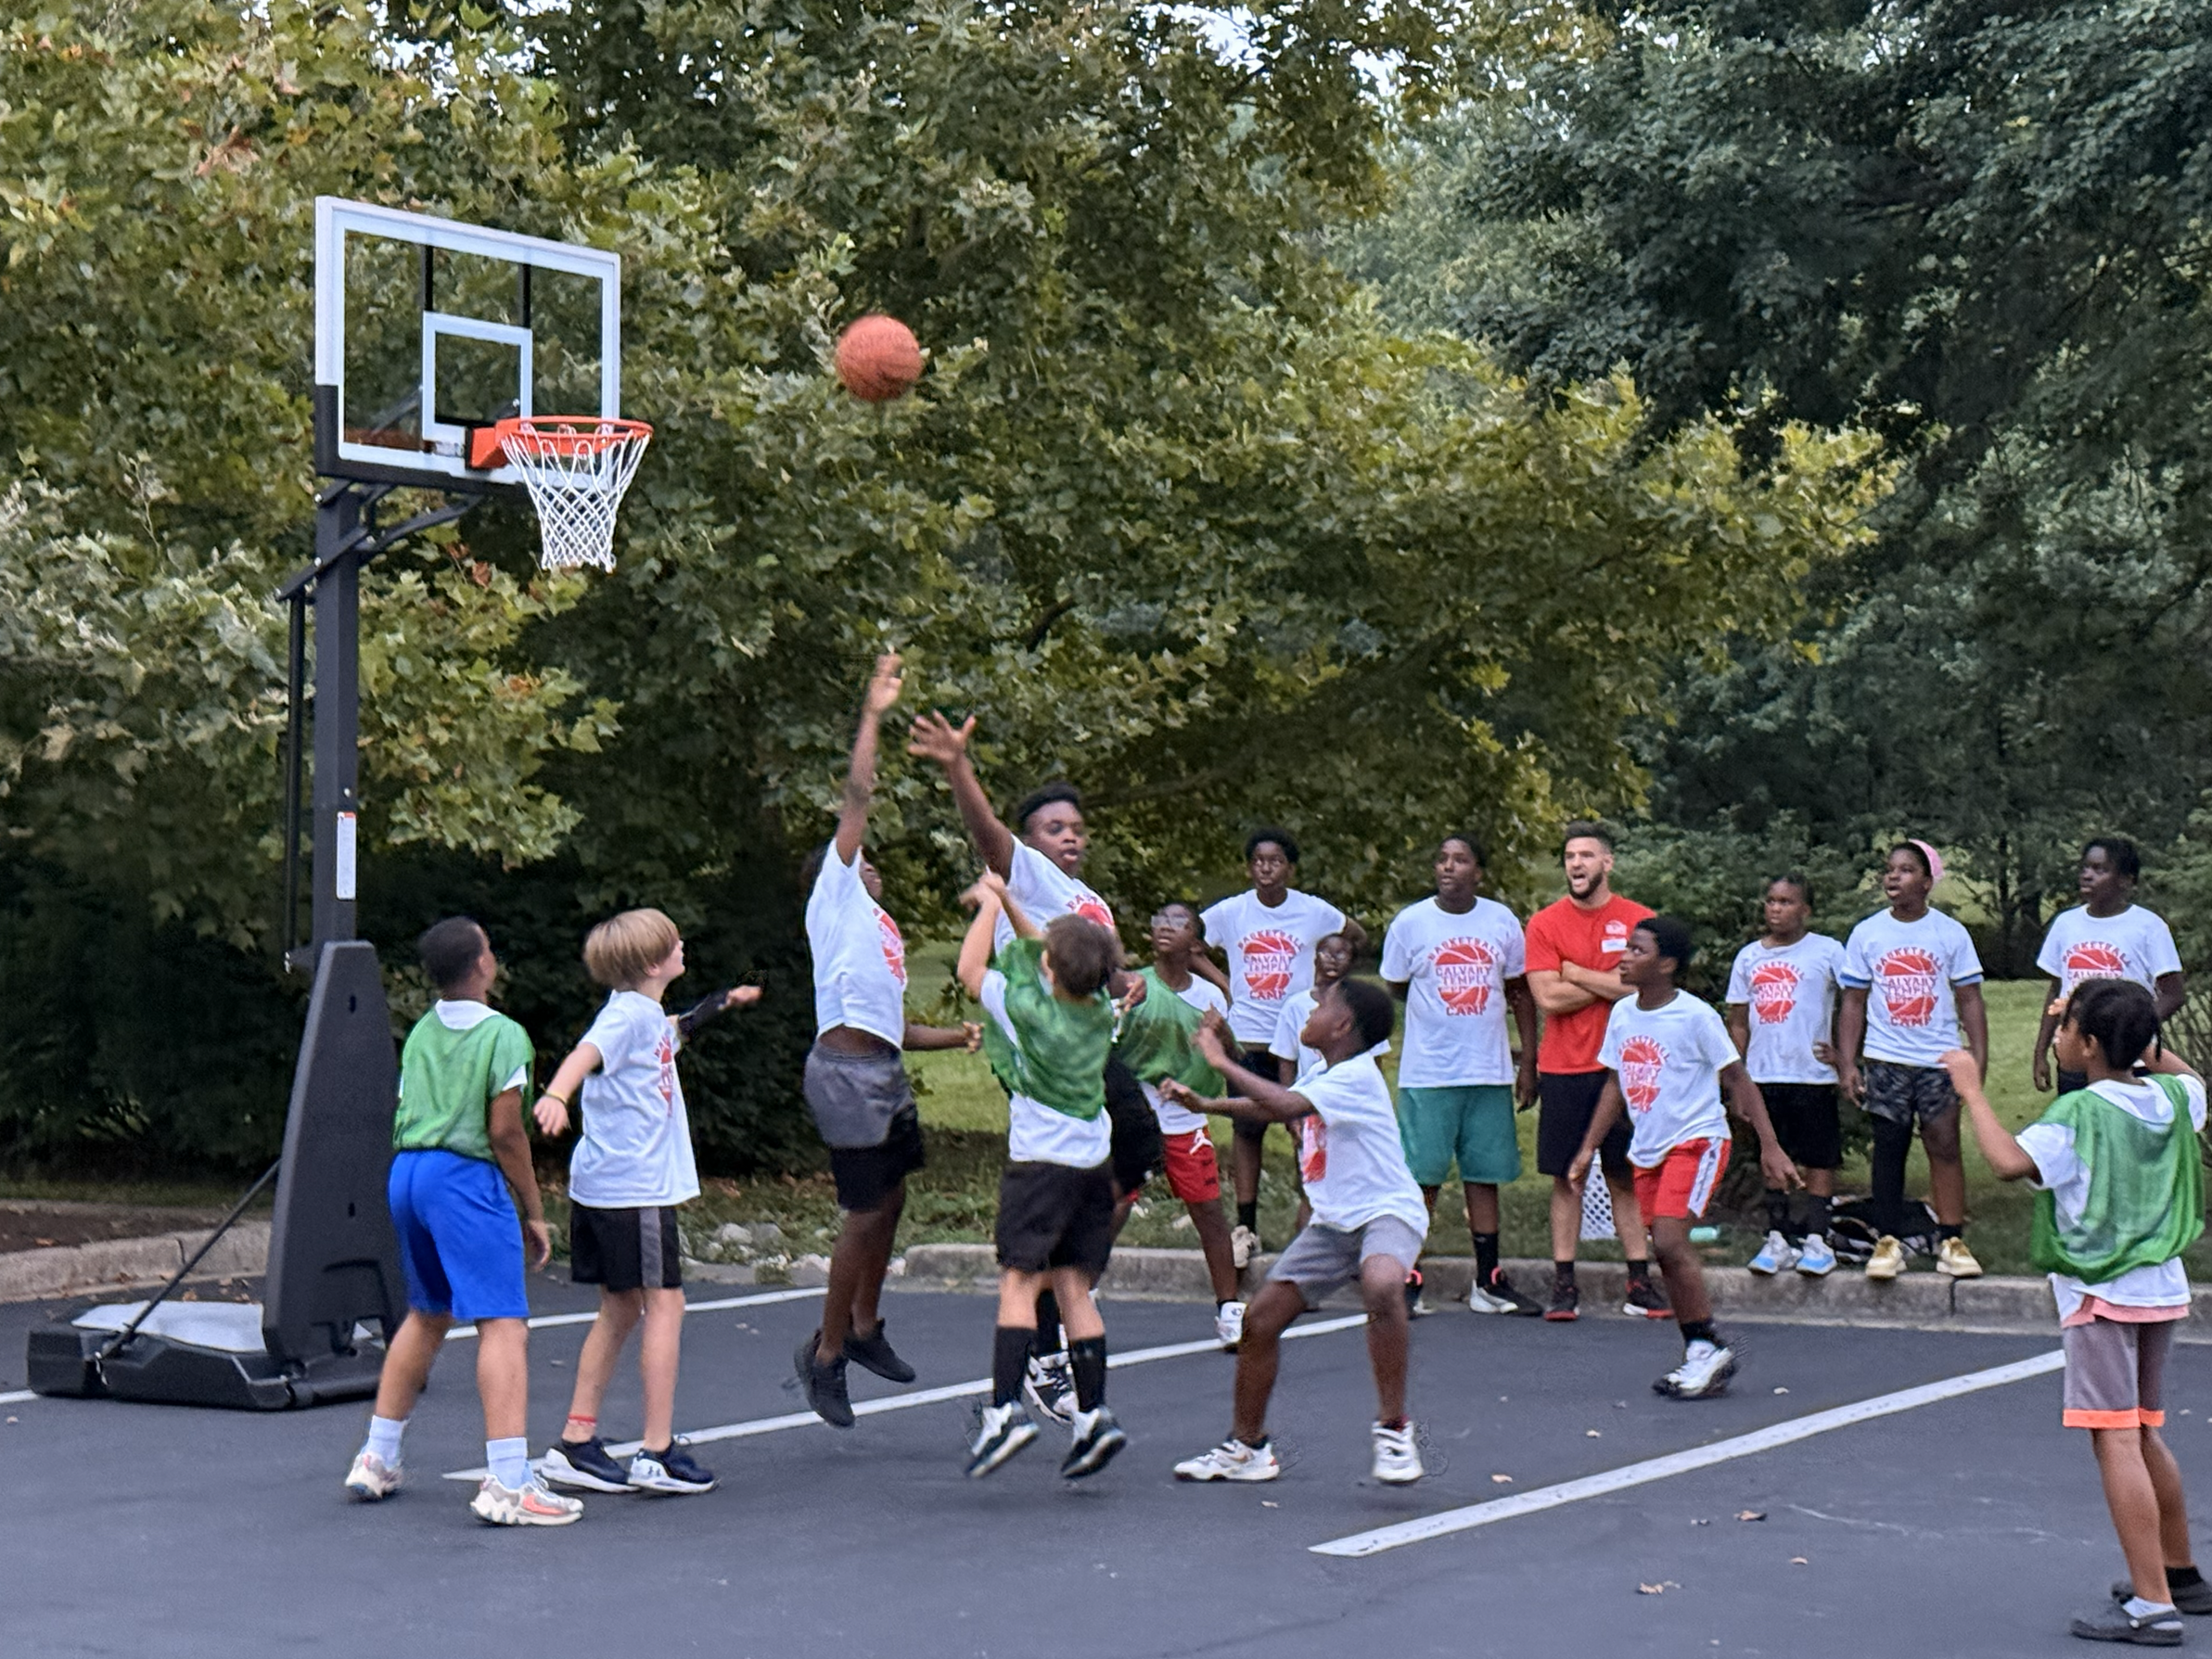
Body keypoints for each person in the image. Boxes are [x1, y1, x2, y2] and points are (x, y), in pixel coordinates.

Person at [907, 710, 1158, 1422]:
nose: (1070, 834)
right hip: (1045, 1048)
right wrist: (958, 765)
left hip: (1085, 1043)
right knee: (1133, 1140)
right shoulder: (1033, 874)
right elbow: (988, 834)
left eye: (1076, 826)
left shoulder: (1090, 902)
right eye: (1054, 827)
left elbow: (1097, 968)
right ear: (1031, 843)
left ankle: (1062, 1285)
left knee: (1127, 1158)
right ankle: (1046, 1340)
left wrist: (1124, 979)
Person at [1946, 980, 2206, 1647]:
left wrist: (1972, 1089)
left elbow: (2007, 1162)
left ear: (2087, 1044)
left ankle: (2150, 1606)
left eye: (2066, 1027)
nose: (2056, 1033)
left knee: (2114, 1435)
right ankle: (2177, 1573)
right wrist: (2137, 1035)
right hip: (2160, 1286)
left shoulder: (2077, 1114)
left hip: (2098, 1292)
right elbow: (2187, 1074)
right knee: (2145, 1428)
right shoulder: (2174, 1097)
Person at [792, 655, 983, 1428]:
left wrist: (952, 1035)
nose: (867, 863)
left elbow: (892, 1023)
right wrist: (872, 713)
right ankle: (826, 1352)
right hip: (845, 1075)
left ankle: (865, 1327)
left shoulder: (876, 931)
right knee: (864, 1213)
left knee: (895, 1194)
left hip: (882, 1066)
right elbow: (858, 794)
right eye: (857, 858)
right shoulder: (833, 895)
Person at [344, 917, 578, 1525]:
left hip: (408, 1173)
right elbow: (505, 1131)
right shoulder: (504, 1035)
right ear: (481, 965)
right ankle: (507, 1481)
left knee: (426, 1312)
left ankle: (377, 1455)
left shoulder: (421, 1030)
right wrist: (533, 1207)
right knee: (503, 1321)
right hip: (462, 1179)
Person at [532, 910, 760, 1497]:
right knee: (667, 1307)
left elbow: (669, 1039)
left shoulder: (643, 1014)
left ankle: (576, 1442)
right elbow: (586, 1054)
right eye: (674, 941)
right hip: (635, 1190)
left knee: (621, 1308)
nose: (683, 943)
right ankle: (655, 1451)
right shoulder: (627, 1017)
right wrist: (558, 1093)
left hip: (608, 1187)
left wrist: (719, 1004)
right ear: (655, 964)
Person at [1165, 979, 1429, 1486]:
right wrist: (1206, 1105)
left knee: (1381, 1283)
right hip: (1334, 1222)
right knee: (1260, 1322)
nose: (1310, 1011)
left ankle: (1394, 1430)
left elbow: (1285, 1106)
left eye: (1322, 1006)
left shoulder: (1357, 1076)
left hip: (1386, 1211)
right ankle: (1247, 1448)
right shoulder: (1326, 1072)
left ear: (1343, 1026)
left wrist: (1219, 1061)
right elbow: (1277, 1103)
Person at [1568, 917, 1799, 1400]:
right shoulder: (1624, 1014)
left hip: (1696, 1140)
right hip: (1648, 1148)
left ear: (1667, 964)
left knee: (1672, 1239)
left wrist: (1771, 1145)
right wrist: (1589, 1147)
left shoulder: (1695, 1016)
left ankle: (1709, 1345)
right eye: (1627, 947)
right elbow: (1614, 1084)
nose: (1625, 956)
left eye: (1638, 950)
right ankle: (1698, 1347)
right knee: (1664, 1250)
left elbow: (1738, 1079)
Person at [954, 873, 1129, 1480]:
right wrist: (1011, 902)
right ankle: (1092, 1414)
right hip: (1091, 1164)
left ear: (1049, 969)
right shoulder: (1100, 1006)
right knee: (1073, 1286)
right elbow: (1049, 951)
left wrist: (987, 906)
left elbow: (969, 969)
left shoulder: (1026, 1008)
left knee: (1018, 1282)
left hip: (1040, 1166)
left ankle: (1004, 1411)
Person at [1379, 835, 1541, 1316]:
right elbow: (1395, 985)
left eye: (1461, 860)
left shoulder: (1501, 921)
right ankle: (1408, 1275)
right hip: (1429, 1072)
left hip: (1487, 1070)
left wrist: (1528, 1061)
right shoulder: (1411, 923)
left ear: (1479, 873)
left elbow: (1519, 993)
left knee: (1483, 1174)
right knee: (1420, 1177)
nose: (1448, 867)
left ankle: (1488, 1280)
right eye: (1442, 859)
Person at [1522, 821, 1664, 1321]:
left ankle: (1639, 1281)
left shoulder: (1638, 919)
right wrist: (1611, 981)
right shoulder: (1544, 924)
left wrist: (1577, 973)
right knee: (1567, 1177)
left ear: (1608, 862)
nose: (1576, 864)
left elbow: (1644, 988)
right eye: (1568, 856)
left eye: (1586, 855)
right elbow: (1546, 998)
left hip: (1628, 1069)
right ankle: (1564, 1284)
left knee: (1626, 1175)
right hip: (1563, 1067)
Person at [1836, 841, 1988, 1282]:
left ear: (1927, 881)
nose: (1893, 877)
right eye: (1889, 870)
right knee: (1889, 1146)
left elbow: (1970, 999)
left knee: (1943, 1143)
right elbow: (1853, 1002)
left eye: (1905, 870)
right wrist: (1849, 1063)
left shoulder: (1949, 934)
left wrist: (1976, 1058)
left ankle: (1952, 1239)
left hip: (1938, 1058)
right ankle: (1887, 1241)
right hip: (1886, 1058)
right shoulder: (1868, 933)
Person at [1200, 829, 1349, 1267]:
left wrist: (1328, 982)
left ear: (1290, 867)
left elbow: (1349, 934)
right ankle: (1246, 1227)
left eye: (1276, 860)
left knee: (1305, 1129)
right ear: (1249, 867)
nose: (1267, 868)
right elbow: (1192, 942)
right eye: (1259, 861)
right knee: (1247, 1131)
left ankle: (1316, 1223)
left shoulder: (1312, 911)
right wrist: (1225, 983)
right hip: (1249, 1037)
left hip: (1303, 1039)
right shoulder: (1232, 912)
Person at [1112, 901, 1246, 1346]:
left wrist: (1222, 1036)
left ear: (1197, 942)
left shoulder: (1210, 997)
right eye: (1160, 920)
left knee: (1208, 1210)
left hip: (1185, 1119)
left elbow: (1232, 1062)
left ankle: (1229, 1309)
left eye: (1179, 922)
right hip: (1133, 1115)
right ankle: (1077, 1294)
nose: (1166, 927)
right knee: (1115, 1205)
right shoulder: (1133, 987)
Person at [1724, 874, 1848, 1277]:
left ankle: (1817, 1237)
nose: (1776, 909)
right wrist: (1737, 1078)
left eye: (1787, 902)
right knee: (1772, 1154)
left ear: (1805, 910)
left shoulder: (1828, 952)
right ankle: (1777, 1236)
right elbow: (1739, 1022)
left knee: (1818, 1156)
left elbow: (1854, 1003)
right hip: (1764, 1073)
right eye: (1771, 901)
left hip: (1812, 1072)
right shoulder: (1749, 958)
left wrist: (1844, 1056)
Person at [2034, 837, 2187, 1095]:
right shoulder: (2065, 924)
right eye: (2084, 868)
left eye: (2099, 869)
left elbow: (2174, 994)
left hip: (2130, 1062)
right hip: (2076, 1060)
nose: (2087, 875)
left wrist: (2133, 1029)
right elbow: (2056, 992)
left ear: (2126, 880)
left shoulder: (2148, 927)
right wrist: (2041, 1052)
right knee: (2080, 1130)